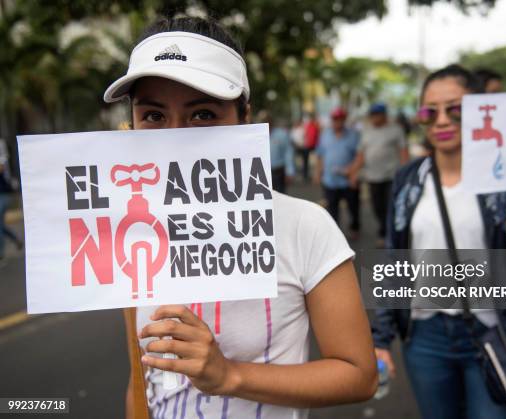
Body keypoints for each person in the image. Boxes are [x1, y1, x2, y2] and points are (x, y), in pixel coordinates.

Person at [103, 16, 377, 419]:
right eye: (155, 116)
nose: (176, 137)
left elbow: (359, 375)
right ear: (133, 122)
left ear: (243, 116)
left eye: (202, 115)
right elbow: (140, 378)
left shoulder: (304, 225)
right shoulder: (129, 233)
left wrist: (229, 375)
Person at [371, 65, 506, 419]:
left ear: (481, 111)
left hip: (493, 331)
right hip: (425, 337)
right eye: (428, 111)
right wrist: (380, 337)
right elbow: (394, 258)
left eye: (455, 109)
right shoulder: (408, 178)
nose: (441, 120)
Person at [348, 103, 408, 247]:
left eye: (377, 115)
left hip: (391, 176)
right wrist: (353, 172)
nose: (374, 118)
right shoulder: (367, 132)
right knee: (377, 207)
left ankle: (386, 234)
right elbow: (361, 155)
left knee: (390, 206)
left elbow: (403, 152)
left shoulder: (396, 130)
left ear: (384, 115)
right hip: (372, 177)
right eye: (372, 115)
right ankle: (385, 228)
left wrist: (406, 173)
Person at [314, 107, 360, 240]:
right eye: (335, 119)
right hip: (330, 180)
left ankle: (354, 227)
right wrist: (317, 172)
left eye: (340, 119)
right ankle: (336, 233)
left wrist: (353, 172)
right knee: (332, 207)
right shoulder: (325, 135)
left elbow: (359, 156)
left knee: (353, 206)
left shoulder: (353, 135)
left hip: (348, 179)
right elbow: (320, 155)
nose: (337, 122)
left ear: (344, 119)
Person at [0, 138, 23, 264]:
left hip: (3, 192)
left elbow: (2, 167)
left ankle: (1, 254)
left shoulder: (1, 143)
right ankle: (15, 239)